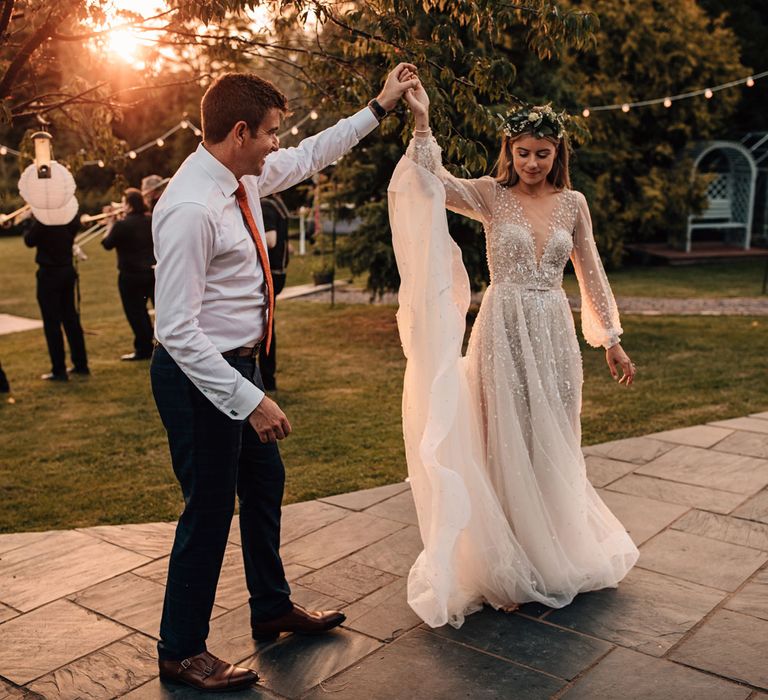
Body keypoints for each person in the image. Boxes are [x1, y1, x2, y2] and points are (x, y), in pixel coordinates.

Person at [150, 65, 419, 692]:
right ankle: (181, 650)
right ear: (239, 131)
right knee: (209, 511)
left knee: (264, 484)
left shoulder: (243, 173)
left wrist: (378, 107)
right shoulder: (190, 206)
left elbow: (310, 155)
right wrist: (250, 401)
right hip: (199, 379)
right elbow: (179, 331)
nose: (278, 142)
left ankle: (270, 607)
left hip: (237, 364)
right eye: (271, 132)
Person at [388, 78, 640, 629]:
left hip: (552, 330)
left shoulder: (573, 204)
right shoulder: (489, 195)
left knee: (550, 438)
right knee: (501, 437)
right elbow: (433, 179)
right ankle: (505, 565)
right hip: (501, 327)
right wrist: (423, 122)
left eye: (542, 153)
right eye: (523, 152)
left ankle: (552, 551)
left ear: (557, 154)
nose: (531, 162)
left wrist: (612, 341)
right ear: (509, 151)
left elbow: (590, 273)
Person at [24, 213, 89, 381]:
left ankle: (58, 369)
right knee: (71, 319)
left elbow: (29, 240)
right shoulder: (69, 216)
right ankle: (81, 364)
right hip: (67, 270)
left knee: (52, 323)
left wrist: (29, 220)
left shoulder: (44, 219)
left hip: (49, 273)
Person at [101, 187, 155, 360]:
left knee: (136, 313)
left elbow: (107, 244)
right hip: (152, 273)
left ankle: (144, 348)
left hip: (130, 275)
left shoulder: (121, 225)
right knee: (157, 310)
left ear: (129, 205)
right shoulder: (151, 220)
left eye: (124, 203)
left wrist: (110, 223)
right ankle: (159, 344)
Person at [258, 193, 290, 390]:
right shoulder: (278, 202)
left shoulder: (266, 204)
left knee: (265, 326)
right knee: (267, 324)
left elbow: (270, 240)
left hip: (270, 273)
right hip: (279, 271)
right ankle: (267, 378)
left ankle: (267, 379)